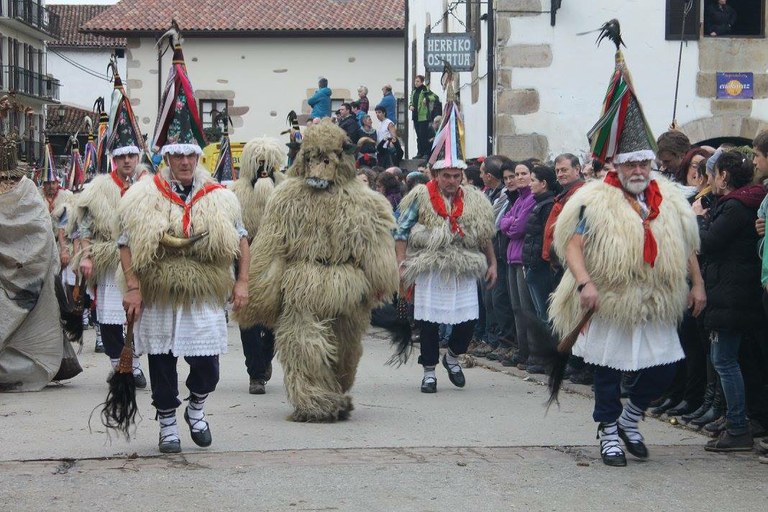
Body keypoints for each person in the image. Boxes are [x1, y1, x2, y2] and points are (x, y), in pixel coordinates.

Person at [549, 28, 705, 467]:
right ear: (618, 164)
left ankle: (632, 416)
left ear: (652, 163)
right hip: (610, 295)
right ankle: (608, 429)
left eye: (644, 162)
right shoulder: (592, 198)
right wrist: (584, 284)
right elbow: (573, 244)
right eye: (631, 162)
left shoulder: (671, 197)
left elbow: (686, 244)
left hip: (657, 297)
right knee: (608, 368)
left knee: (665, 367)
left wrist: (698, 285)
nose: (639, 168)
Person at [120, 33, 249, 453]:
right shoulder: (143, 196)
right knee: (160, 360)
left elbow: (241, 240)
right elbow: (126, 242)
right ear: (167, 157)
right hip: (158, 292)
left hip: (203, 293)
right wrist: (134, 286)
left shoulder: (221, 197)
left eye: (190, 156)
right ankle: (167, 424)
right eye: (177, 156)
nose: (185, 162)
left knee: (208, 366)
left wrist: (242, 282)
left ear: (198, 157)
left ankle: (197, 403)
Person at [233, 120, 399, 422]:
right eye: (311, 159)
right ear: (302, 159)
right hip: (302, 284)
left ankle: (334, 391)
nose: (317, 169)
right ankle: (311, 400)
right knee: (302, 347)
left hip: (347, 285)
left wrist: (379, 281)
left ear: (340, 160)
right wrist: (260, 293)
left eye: (325, 160)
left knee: (344, 353)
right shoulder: (286, 198)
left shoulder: (363, 201)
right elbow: (271, 247)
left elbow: (375, 244)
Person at [395, 70, 496, 393]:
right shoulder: (420, 196)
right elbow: (401, 230)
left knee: (468, 320)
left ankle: (453, 355)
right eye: (447, 175)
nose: (452, 181)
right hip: (429, 265)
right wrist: (402, 264)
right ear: (436, 175)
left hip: (464, 264)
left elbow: (483, 234)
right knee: (427, 322)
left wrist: (492, 263)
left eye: (456, 175)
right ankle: (429, 372)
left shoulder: (475, 200)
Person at [693, 150, 765, 451]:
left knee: (724, 360)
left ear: (724, 176)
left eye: (713, 173)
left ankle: (737, 427)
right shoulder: (737, 205)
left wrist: (697, 221)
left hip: (731, 293)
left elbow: (708, 242)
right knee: (731, 359)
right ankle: (738, 419)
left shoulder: (735, 207)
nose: (709, 179)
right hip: (732, 291)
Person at [75, 108, 148, 389]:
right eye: (121, 156)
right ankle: (120, 365)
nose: (127, 160)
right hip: (108, 260)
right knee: (108, 319)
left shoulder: (149, 186)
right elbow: (84, 224)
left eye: (131, 156)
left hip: (140, 261)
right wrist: (86, 255)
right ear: (114, 159)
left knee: (139, 316)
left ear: (137, 158)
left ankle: (135, 362)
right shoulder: (99, 188)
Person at [1, 160, 64, 391]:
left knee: (36, 319)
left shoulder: (28, 194)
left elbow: (43, 231)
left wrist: (29, 260)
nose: (7, 185)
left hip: (30, 278)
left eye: (10, 179)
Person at [229, 137, 285, 395]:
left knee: (274, 321)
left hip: (278, 263)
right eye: (259, 162)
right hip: (245, 265)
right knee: (248, 321)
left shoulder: (286, 190)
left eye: (268, 163)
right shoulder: (235, 193)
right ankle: (256, 373)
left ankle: (264, 359)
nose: (264, 168)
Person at [521, 166, 562, 322]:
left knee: (546, 314)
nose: (529, 184)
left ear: (543, 183)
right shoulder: (539, 203)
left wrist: (538, 262)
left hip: (542, 267)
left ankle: (550, 346)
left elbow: (546, 238)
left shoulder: (548, 205)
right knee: (539, 313)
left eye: (532, 180)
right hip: (533, 265)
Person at [410, 75, 437, 158]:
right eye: (415, 81)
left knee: (423, 135)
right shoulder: (414, 92)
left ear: (422, 82)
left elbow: (435, 97)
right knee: (418, 135)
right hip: (415, 116)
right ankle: (419, 153)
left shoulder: (425, 89)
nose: (416, 83)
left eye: (418, 81)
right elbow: (411, 101)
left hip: (423, 117)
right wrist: (410, 106)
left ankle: (426, 153)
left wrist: (427, 99)